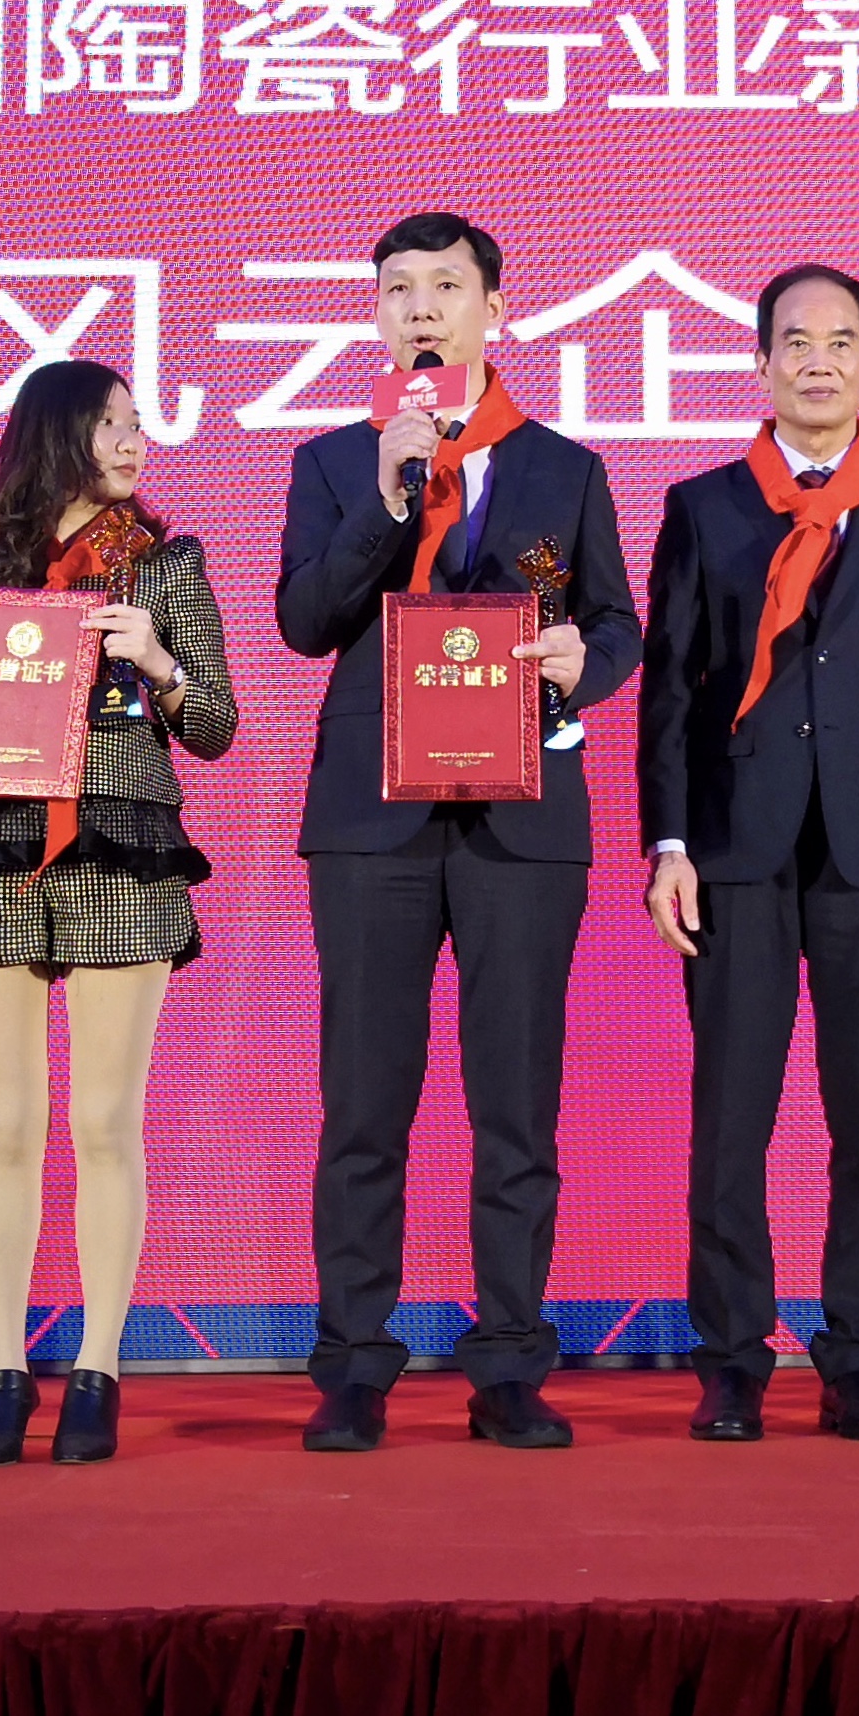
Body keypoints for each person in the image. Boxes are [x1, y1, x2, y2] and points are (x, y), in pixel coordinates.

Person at [275, 213, 643, 1453]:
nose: (421, 308)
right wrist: (390, 495)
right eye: (397, 289)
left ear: (496, 308)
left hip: (521, 820)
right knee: (362, 1104)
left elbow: (617, 622)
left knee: (515, 1106)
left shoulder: (563, 468)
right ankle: (354, 1364)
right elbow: (307, 621)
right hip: (369, 823)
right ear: (376, 315)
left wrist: (584, 661)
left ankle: (509, 1363)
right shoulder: (336, 461)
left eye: (445, 286)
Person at [639, 265, 859, 1445]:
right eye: (794, 341)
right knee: (730, 1117)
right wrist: (668, 841)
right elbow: (670, 689)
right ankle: (732, 1359)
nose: (817, 360)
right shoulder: (705, 505)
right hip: (734, 840)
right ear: (762, 364)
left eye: (839, 342)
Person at [0, 360, 237, 1468]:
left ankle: (97, 1367)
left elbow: (215, 725)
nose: (133, 442)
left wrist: (158, 661)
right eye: (109, 425)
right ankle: (3, 1371)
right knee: (4, 1126)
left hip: (122, 850)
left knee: (103, 1123)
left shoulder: (165, 564)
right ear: (52, 435)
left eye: (137, 424)